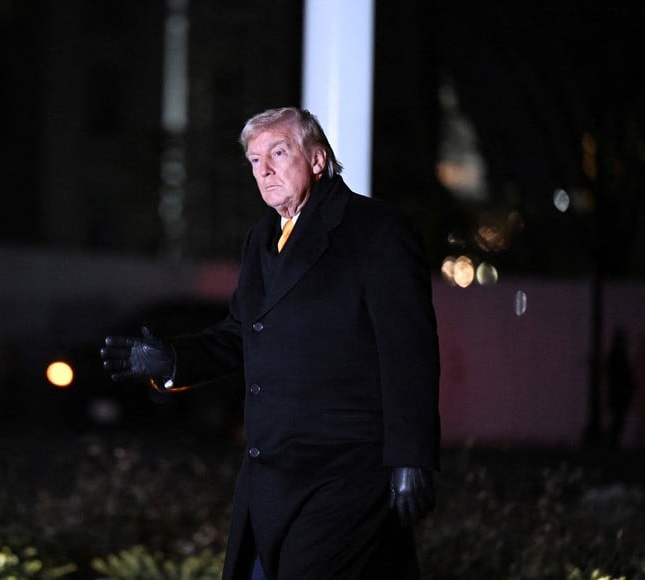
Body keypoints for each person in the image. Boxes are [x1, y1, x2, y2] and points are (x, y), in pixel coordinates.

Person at [101, 107, 440, 579]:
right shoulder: (263, 238)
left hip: (346, 473)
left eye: (277, 154)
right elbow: (243, 332)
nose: (264, 171)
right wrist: (174, 360)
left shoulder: (376, 229)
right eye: (255, 161)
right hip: (271, 474)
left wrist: (411, 459)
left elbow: (409, 354)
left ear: (317, 159)